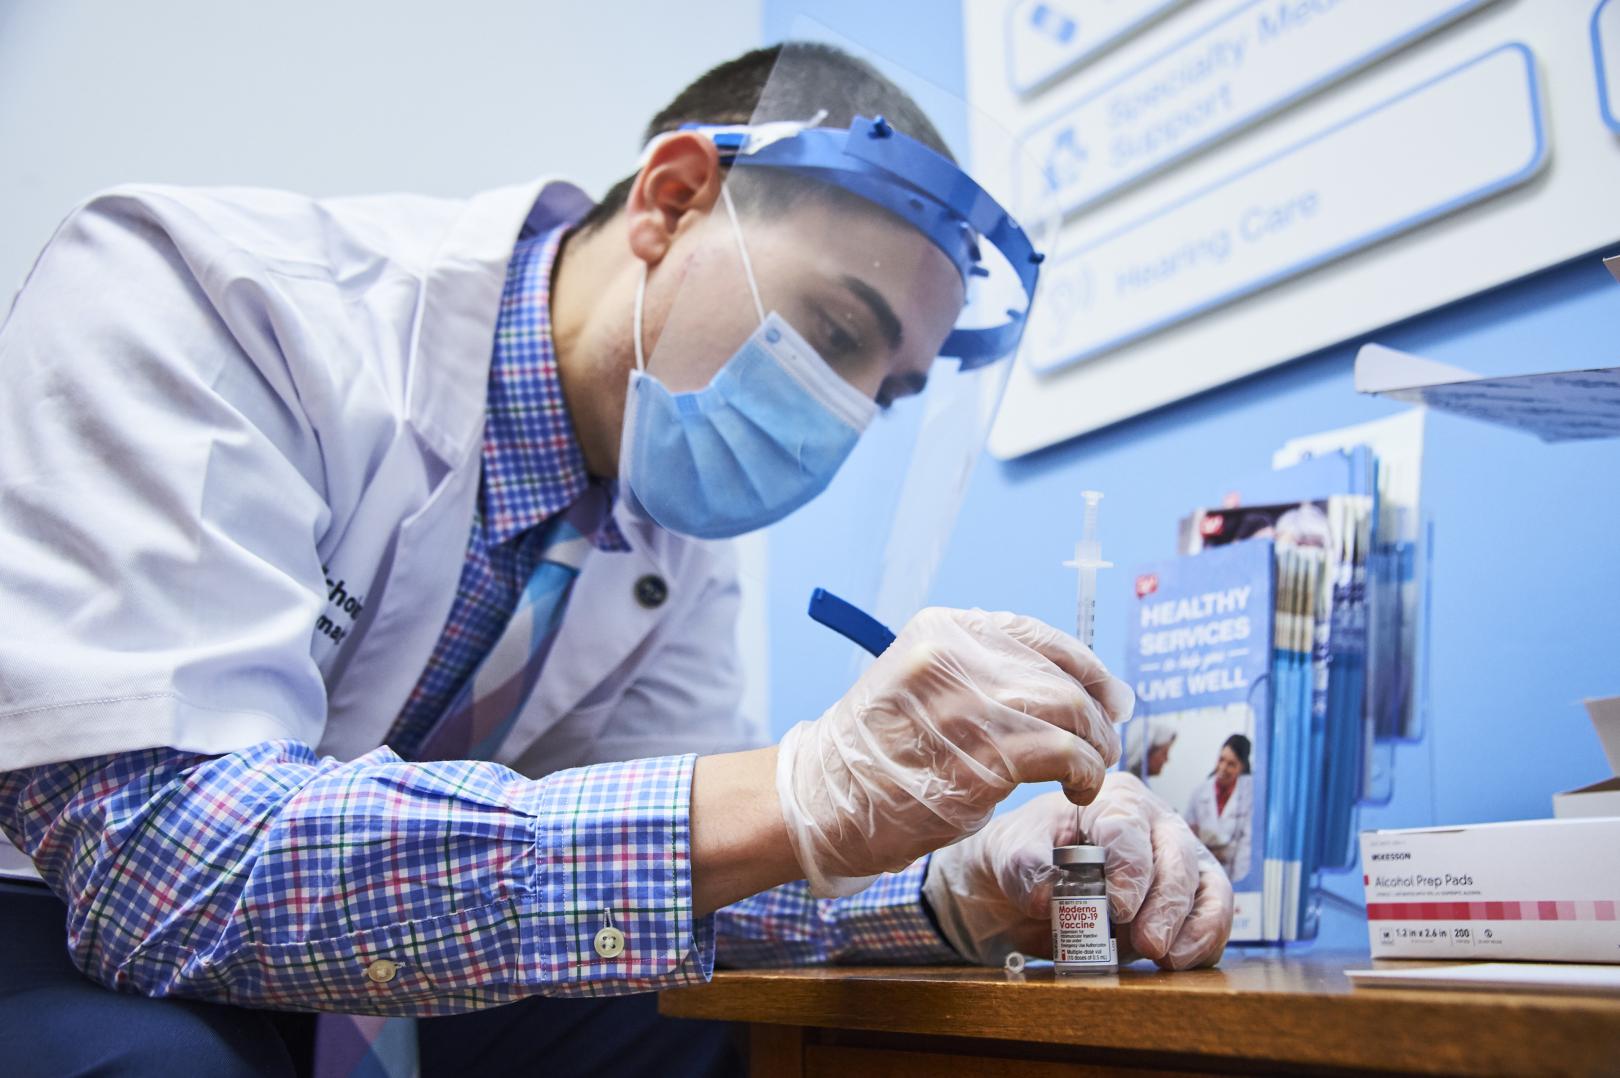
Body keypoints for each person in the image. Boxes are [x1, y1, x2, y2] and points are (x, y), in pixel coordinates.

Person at [0, 42, 1232, 1077]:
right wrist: (798, 786)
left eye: (889, 389)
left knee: (715, 1035)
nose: (847, 412)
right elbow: (162, 870)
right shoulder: (219, 299)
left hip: (360, 970)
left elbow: (676, 873)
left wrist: (952, 893)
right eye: (837, 330)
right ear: (675, 197)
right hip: (57, 916)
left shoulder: (668, 521)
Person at [1183, 734, 1254, 881]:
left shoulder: (1249, 795)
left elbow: (1246, 846)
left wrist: (1239, 884)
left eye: (1231, 764)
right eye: (1221, 760)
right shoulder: (1200, 793)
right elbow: (1187, 837)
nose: (1223, 768)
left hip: (1233, 876)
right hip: (1202, 876)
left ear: (1242, 767)